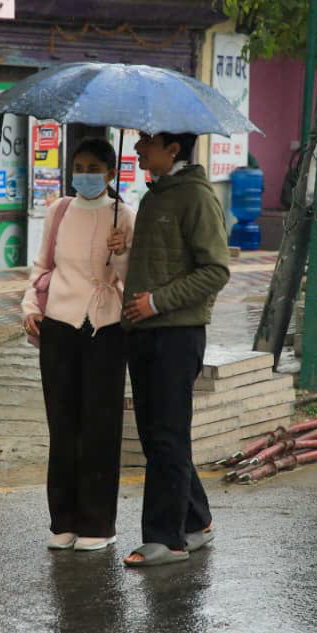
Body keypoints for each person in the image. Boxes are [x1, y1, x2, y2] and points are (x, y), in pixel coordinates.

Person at [120, 132, 230, 568]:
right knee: (159, 435)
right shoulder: (156, 195)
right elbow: (160, 260)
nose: (138, 148)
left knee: (165, 434)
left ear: (174, 150)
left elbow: (216, 270)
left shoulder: (195, 197)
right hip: (145, 332)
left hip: (175, 334)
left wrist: (157, 301)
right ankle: (196, 520)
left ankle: (166, 539)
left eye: (148, 141)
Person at [21, 139, 136, 552]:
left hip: (106, 327)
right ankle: (63, 521)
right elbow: (42, 266)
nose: (84, 174)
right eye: (78, 166)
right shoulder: (59, 210)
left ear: (109, 173)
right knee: (62, 423)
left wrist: (121, 253)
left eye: (92, 167)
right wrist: (30, 305)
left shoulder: (125, 215)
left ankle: (98, 525)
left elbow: (129, 278)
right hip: (59, 327)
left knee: (100, 427)